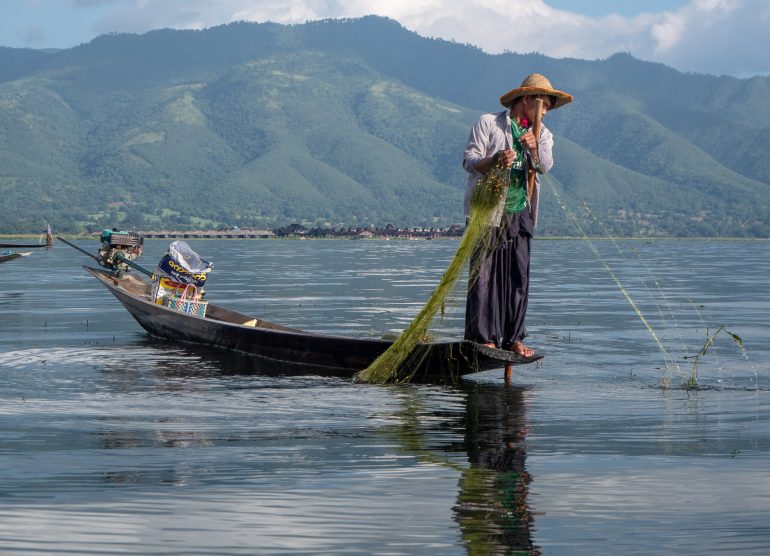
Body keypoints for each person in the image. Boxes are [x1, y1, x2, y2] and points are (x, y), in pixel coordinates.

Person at [462, 73, 572, 358]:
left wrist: (534, 147)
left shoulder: (542, 134)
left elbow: (545, 166)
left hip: (521, 212)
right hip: (487, 211)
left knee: (517, 276)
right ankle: (483, 338)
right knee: (483, 276)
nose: (545, 112)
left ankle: (514, 338)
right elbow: (469, 160)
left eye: (548, 107)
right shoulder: (489, 123)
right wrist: (495, 160)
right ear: (526, 100)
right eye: (543, 105)